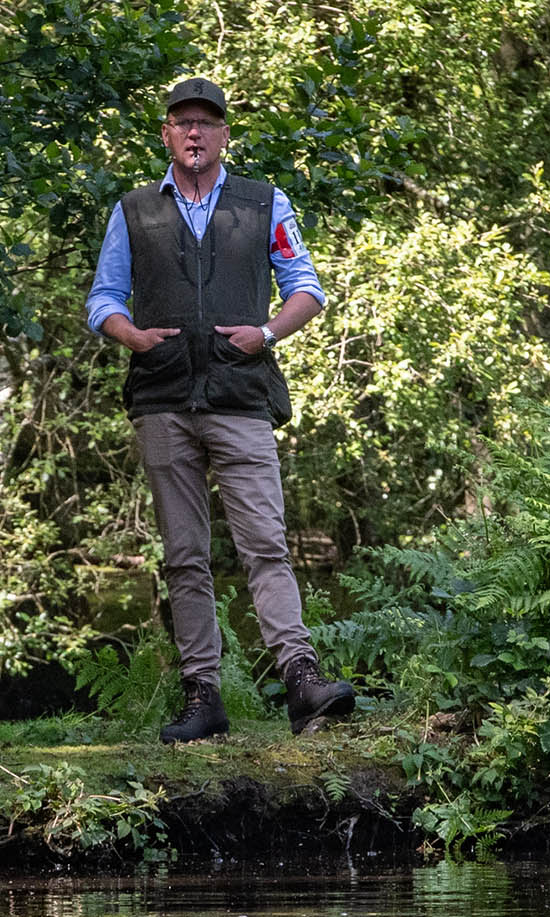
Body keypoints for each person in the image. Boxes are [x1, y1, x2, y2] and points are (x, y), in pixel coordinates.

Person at [87, 77, 356, 744]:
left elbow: (306, 288)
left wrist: (266, 334)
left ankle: (302, 681)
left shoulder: (264, 202)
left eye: (208, 122)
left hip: (240, 398)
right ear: (167, 134)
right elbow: (103, 300)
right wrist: (133, 336)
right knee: (184, 556)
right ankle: (202, 697)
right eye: (184, 123)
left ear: (225, 134)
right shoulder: (133, 210)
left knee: (266, 543)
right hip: (162, 398)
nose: (196, 133)